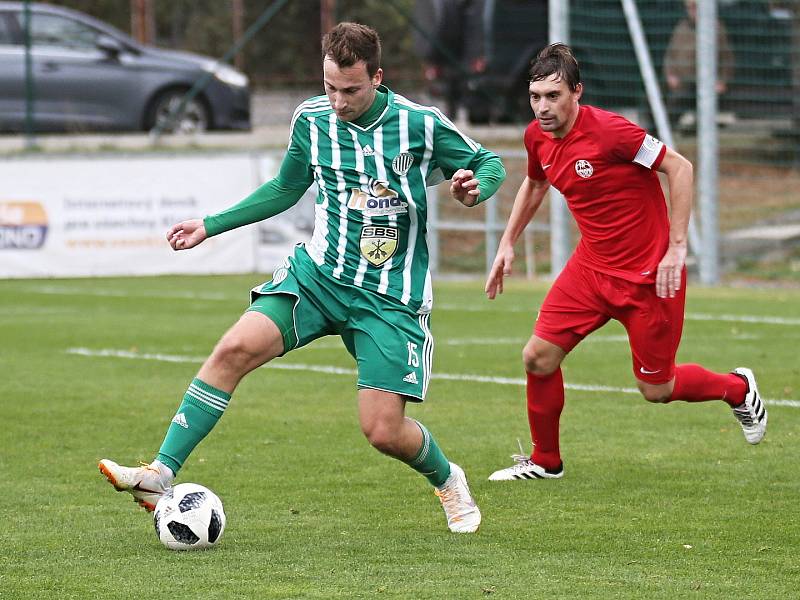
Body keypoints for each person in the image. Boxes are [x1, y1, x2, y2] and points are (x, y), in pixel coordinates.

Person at [98, 22, 506, 533]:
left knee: (382, 431)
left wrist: (474, 188)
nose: (337, 100)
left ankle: (447, 479)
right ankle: (161, 472)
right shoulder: (311, 120)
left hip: (388, 296)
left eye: (351, 89)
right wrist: (211, 224)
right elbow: (286, 189)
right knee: (231, 352)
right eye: (329, 87)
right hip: (316, 277)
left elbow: (487, 164)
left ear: (378, 77)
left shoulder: (418, 124)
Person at [484, 43, 766, 482]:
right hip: (591, 271)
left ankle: (737, 388)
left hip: (648, 279)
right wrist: (507, 242)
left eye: (553, 96)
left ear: (577, 92)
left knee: (658, 388)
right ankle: (546, 461)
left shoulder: (613, 132)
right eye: (535, 96)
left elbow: (680, 167)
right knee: (537, 357)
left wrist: (676, 248)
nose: (542, 107)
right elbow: (535, 184)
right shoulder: (536, 135)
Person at [663, 0, 735, 131]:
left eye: (695, 8)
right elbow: (670, 55)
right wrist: (670, 74)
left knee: (681, 97)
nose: (692, 11)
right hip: (679, 80)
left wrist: (722, 81)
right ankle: (653, 131)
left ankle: (665, 131)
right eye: (690, 8)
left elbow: (727, 58)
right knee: (652, 94)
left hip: (700, 82)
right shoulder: (681, 27)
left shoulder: (715, 28)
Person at [412, 0, 487, 120]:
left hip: (456, 56)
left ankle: (454, 113)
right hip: (454, 56)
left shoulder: (464, 10)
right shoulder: (467, 10)